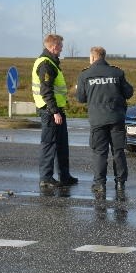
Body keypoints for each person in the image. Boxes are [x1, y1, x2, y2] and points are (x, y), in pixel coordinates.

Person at [76, 46, 134, 194]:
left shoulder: (85, 75)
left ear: (93, 57)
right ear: (104, 57)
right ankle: (120, 183)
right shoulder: (117, 72)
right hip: (116, 118)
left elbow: (81, 98)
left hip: (97, 120)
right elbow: (129, 93)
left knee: (100, 152)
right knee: (118, 151)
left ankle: (100, 184)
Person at [32, 34, 78, 189]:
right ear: (53, 46)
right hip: (50, 111)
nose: (62, 48)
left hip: (57, 109)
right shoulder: (46, 64)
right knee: (49, 144)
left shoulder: (52, 62)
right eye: (60, 46)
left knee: (62, 144)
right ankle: (46, 177)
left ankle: (64, 175)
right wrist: (54, 112)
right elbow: (46, 91)